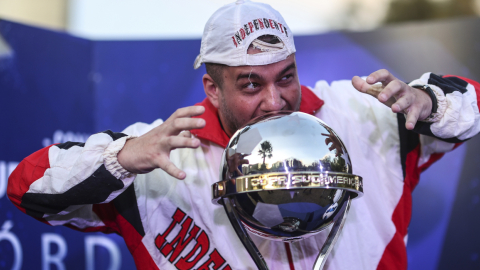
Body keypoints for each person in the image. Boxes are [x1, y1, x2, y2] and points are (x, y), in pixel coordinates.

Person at [7, 0, 480, 269]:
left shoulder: (365, 113)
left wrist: (430, 103)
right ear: (212, 89)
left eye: (286, 76)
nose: (275, 102)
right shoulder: (162, 154)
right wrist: (123, 158)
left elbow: (470, 101)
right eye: (251, 84)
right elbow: (25, 187)